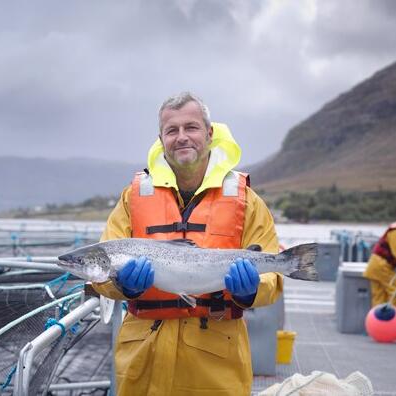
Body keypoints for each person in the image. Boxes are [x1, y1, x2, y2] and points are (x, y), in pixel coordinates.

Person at [93, 92, 283, 396]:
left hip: (215, 370)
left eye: (191, 127)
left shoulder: (247, 200)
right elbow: (102, 269)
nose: (182, 137)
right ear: (161, 138)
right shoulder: (132, 198)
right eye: (172, 130)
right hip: (142, 363)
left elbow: (273, 275)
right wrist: (123, 287)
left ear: (209, 134)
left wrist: (251, 290)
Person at [363, 223, 396, 307]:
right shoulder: (394, 231)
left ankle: (378, 319)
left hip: (377, 266)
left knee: (379, 298)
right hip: (382, 266)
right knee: (394, 293)